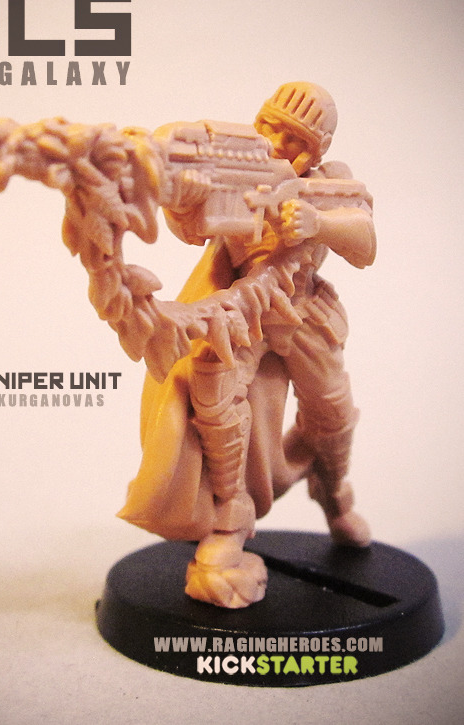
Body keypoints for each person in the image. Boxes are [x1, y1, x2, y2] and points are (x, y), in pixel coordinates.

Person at [119, 82, 376, 608]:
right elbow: (192, 225)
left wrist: (318, 223)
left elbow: (365, 243)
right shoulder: (239, 172)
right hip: (244, 311)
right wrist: (179, 195)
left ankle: (334, 494)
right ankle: (230, 519)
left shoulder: (328, 182)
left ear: (317, 151)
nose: (278, 143)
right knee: (212, 395)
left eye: (295, 139)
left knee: (331, 412)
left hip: (304, 311)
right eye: (270, 127)